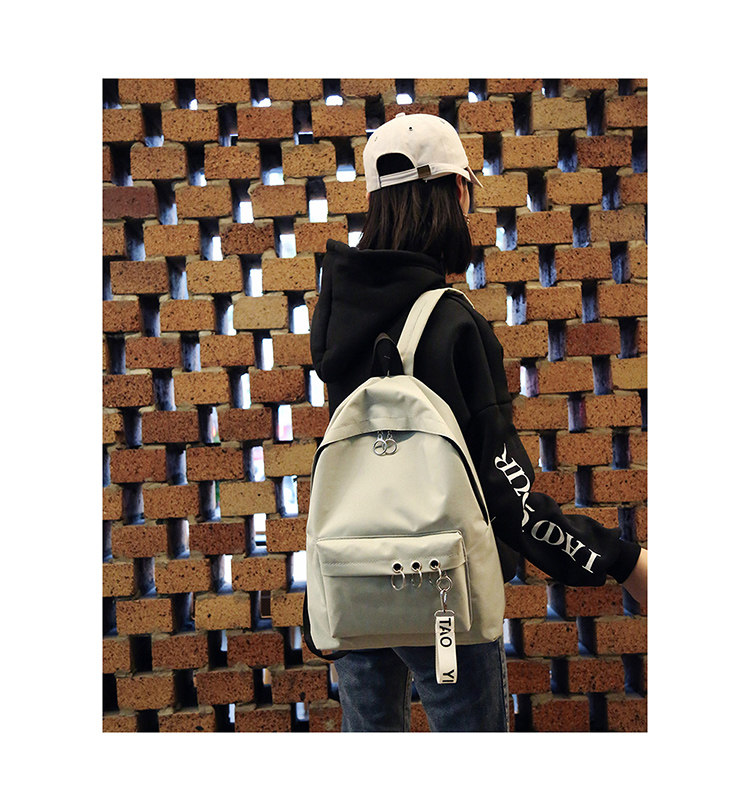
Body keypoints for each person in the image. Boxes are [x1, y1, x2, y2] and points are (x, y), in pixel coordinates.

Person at [310, 113, 645, 732]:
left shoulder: (337, 318)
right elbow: (508, 498)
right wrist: (622, 561)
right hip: (442, 592)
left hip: (348, 581)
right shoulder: (452, 321)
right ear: (458, 193)